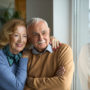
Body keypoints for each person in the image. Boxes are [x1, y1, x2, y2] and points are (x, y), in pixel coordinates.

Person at [0, 19, 61, 90]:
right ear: (8, 36)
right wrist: (24, 58)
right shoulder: (24, 56)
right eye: (16, 35)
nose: (21, 40)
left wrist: (50, 39)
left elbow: (40, 74)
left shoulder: (26, 51)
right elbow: (17, 87)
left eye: (24, 36)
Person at [24, 17, 74, 90]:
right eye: (35, 35)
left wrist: (30, 81)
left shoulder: (63, 50)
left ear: (49, 31)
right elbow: (22, 86)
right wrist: (54, 79)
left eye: (44, 33)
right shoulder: (25, 56)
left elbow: (63, 85)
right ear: (29, 38)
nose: (41, 38)